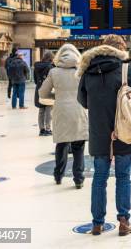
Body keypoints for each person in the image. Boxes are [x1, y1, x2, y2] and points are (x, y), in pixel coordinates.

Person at [77, 35, 131, 236]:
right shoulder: (126, 70)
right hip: (124, 132)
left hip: (99, 133)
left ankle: (97, 224)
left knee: (99, 178)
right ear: (120, 49)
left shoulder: (87, 71)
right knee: (123, 177)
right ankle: (124, 222)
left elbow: (82, 100)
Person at [39, 44, 88, 188]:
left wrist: (57, 96)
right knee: (78, 147)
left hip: (61, 111)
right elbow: (88, 92)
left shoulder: (54, 72)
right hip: (78, 111)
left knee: (62, 144)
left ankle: (58, 175)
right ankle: (78, 179)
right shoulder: (81, 71)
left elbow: (42, 93)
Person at [34, 51, 54, 136]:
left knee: (41, 110)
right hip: (49, 89)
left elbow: (35, 80)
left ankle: (41, 129)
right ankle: (48, 129)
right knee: (48, 110)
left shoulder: (37, 66)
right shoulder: (51, 67)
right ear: (51, 58)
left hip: (39, 89)